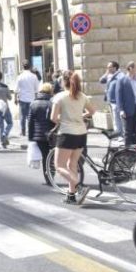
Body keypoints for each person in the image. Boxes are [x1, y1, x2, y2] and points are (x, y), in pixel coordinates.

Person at [51, 71, 94, 204]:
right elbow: (92, 111)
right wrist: (80, 117)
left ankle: (79, 187)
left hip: (66, 134)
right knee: (72, 164)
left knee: (59, 166)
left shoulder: (60, 97)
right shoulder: (82, 96)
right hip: (81, 133)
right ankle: (71, 194)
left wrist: (63, 119)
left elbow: (53, 118)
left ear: (64, 82)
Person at [27, 83, 54, 182]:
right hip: (51, 134)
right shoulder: (52, 102)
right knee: (52, 155)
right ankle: (51, 174)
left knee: (45, 156)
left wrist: (30, 137)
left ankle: (48, 177)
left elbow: (30, 122)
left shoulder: (33, 103)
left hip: (38, 136)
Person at [115, 62, 136, 146]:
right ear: (130, 68)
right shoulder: (122, 80)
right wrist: (121, 110)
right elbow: (118, 96)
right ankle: (127, 152)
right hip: (127, 109)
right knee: (128, 131)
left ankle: (134, 151)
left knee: (135, 131)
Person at [15, 61, 39, 136]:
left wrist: (15, 98)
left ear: (23, 67)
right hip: (32, 99)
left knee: (22, 116)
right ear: (30, 67)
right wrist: (37, 98)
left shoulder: (20, 76)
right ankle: (31, 130)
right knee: (30, 116)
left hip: (22, 98)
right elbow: (37, 90)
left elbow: (16, 89)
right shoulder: (34, 76)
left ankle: (23, 131)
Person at [99, 61, 123, 135]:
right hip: (110, 100)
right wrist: (106, 73)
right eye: (107, 67)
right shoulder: (109, 75)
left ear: (115, 68)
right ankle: (117, 133)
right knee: (114, 118)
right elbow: (101, 80)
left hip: (116, 100)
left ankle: (120, 133)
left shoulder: (120, 75)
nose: (108, 68)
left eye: (109, 67)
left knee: (117, 118)